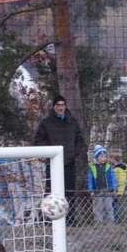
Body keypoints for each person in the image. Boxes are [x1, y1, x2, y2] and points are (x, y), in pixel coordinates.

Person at [33, 94, 87, 223]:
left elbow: (80, 140)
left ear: (65, 106)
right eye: (58, 105)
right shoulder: (46, 123)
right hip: (52, 163)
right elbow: (38, 141)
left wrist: (74, 153)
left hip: (69, 162)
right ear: (54, 107)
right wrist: (51, 151)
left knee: (69, 192)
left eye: (62, 105)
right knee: (51, 192)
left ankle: (70, 220)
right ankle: (47, 219)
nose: (60, 107)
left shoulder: (72, 122)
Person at [87, 145, 118, 223]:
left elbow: (113, 178)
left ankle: (110, 222)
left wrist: (114, 188)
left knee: (109, 206)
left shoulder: (109, 167)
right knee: (98, 207)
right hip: (97, 190)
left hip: (108, 190)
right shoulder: (92, 168)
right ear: (97, 157)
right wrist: (91, 190)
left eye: (105, 156)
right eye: (101, 156)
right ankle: (99, 222)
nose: (103, 158)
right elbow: (90, 180)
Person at [111, 153, 127, 221]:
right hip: (120, 189)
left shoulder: (117, 169)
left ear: (114, 160)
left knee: (114, 205)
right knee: (116, 204)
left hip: (117, 190)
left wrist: (117, 189)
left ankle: (116, 219)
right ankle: (117, 219)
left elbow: (118, 180)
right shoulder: (123, 168)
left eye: (111, 159)